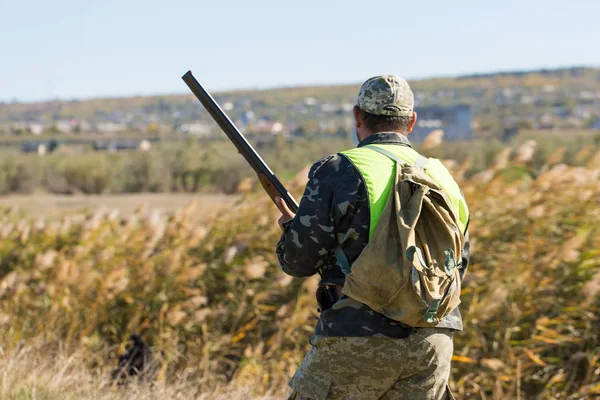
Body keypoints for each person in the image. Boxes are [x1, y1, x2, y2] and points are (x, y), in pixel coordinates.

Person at [275, 75, 470, 400]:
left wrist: (291, 228)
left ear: (357, 116)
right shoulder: (443, 178)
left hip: (356, 337)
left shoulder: (339, 169)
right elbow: (458, 267)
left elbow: (298, 261)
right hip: (433, 344)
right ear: (411, 121)